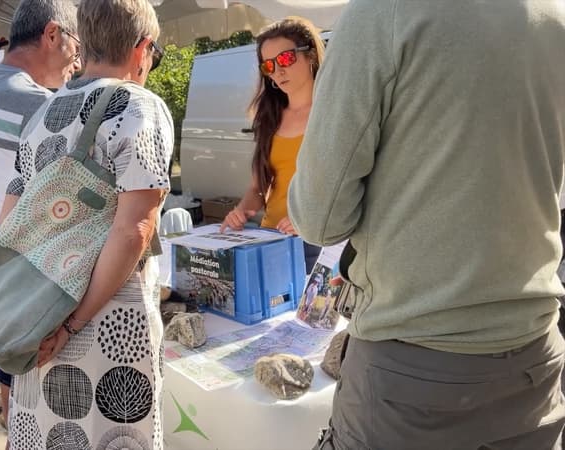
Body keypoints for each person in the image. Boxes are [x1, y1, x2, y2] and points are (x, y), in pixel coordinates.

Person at [288, 1, 565, 449]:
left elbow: (320, 218)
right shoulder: (554, 15)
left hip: (414, 368)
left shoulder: (385, 12)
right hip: (535, 353)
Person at [0, 0, 172, 445]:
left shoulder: (44, 114)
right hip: (109, 324)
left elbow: (9, 220)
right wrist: (73, 325)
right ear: (143, 49)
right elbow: (135, 227)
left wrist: (44, 320)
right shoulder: (139, 107)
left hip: (39, 315)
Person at [0, 0, 81, 431]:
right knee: (36, 422)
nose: (76, 63)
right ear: (52, 35)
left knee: (14, 413)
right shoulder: (39, 106)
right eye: (76, 47)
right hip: (24, 291)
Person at [219, 17, 324, 274]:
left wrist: (309, 221)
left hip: (318, 242)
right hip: (271, 238)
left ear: (310, 55)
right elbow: (258, 188)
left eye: (286, 59)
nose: (278, 71)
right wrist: (241, 212)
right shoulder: (269, 118)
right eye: (268, 65)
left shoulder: (333, 115)